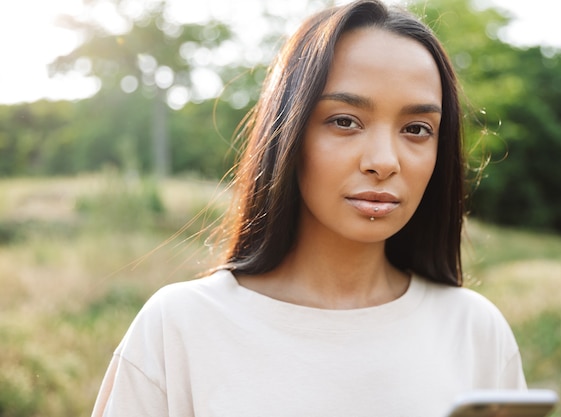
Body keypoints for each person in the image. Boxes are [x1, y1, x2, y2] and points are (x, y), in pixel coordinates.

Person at [91, 1, 527, 416]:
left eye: (416, 129)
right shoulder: (180, 327)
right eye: (344, 121)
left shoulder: (475, 331)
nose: (384, 161)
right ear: (290, 133)